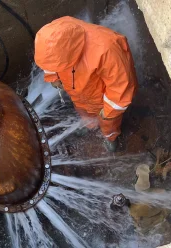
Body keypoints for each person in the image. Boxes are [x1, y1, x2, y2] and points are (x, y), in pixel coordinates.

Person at [34, 16, 138, 152]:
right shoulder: (54, 35)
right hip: (77, 89)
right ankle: (90, 124)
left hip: (101, 96)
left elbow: (122, 86)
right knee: (82, 108)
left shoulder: (107, 49)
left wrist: (109, 111)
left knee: (109, 121)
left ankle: (110, 136)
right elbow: (50, 61)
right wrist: (52, 76)